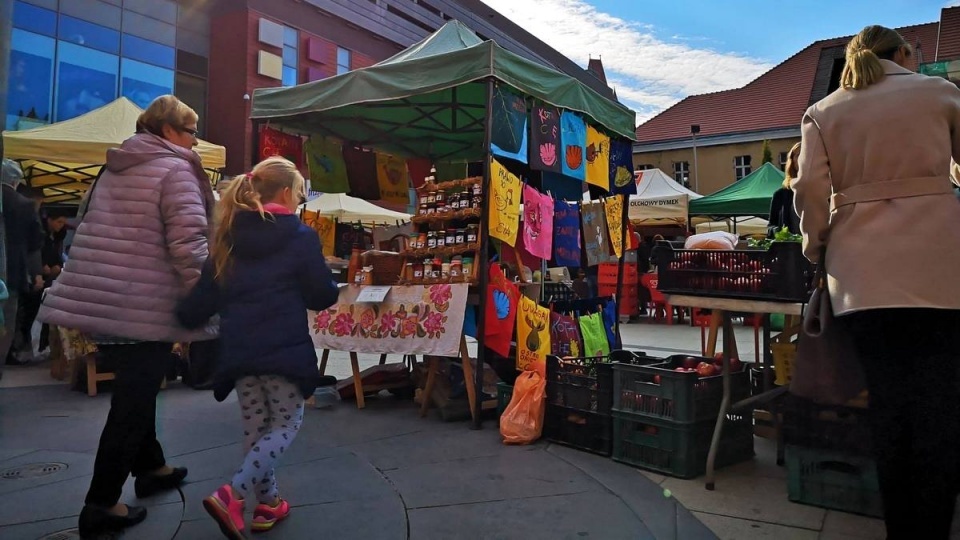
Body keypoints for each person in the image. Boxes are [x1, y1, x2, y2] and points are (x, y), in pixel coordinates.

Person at [792, 25, 960, 539]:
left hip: (862, 279)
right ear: (905, 53)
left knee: (887, 405)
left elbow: (810, 193)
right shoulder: (941, 93)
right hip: (941, 269)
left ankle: (901, 529)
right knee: (939, 404)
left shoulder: (824, 113)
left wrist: (816, 247)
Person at [37, 95, 217, 539]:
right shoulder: (175, 169)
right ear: (169, 130)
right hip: (145, 302)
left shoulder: (114, 167)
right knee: (132, 403)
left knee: (138, 389)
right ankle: (100, 503)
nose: (195, 140)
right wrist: (206, 297)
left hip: (106, 301)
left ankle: (152, 467)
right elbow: (189, 241)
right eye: (191, 131)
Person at [176, 157, 338, 539]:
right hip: (284, 350)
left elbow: (203, 298)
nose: (299, 201)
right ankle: (232, 494)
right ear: (284, 192)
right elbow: (319, 295)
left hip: (239, 351)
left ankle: (268, 504)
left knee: (256, 429)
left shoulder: (228, 236)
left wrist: (178, 319)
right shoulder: (299, 236)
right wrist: (332, 287)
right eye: (298, 193)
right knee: (285, 425)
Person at [0, 159, 43, 373]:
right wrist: (36, 273)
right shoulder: (24, 205)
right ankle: (4, 357)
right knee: (8, 318)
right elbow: (34, 244)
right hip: (12, 272)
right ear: (16, 181)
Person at [15, 207, 69, 361]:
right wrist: (42, 268)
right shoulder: (41, 237)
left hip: (49, 280)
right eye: (59, 222)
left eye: (63, 223)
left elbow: (57, 256)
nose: (60, 226)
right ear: (49, 220)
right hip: (37, 281)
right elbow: (34, 254)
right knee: (30, 313)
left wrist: (57, 266)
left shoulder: (57, 238)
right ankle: (27, 346)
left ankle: (39, 346)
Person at [768, 142, 801, 235]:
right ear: (792, 161)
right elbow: (771, 226)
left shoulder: (824, 192)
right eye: (798, 155)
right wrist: (778, 232)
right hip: (790, 247)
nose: (802, 158)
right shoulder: (780, 195)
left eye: (805, 154)